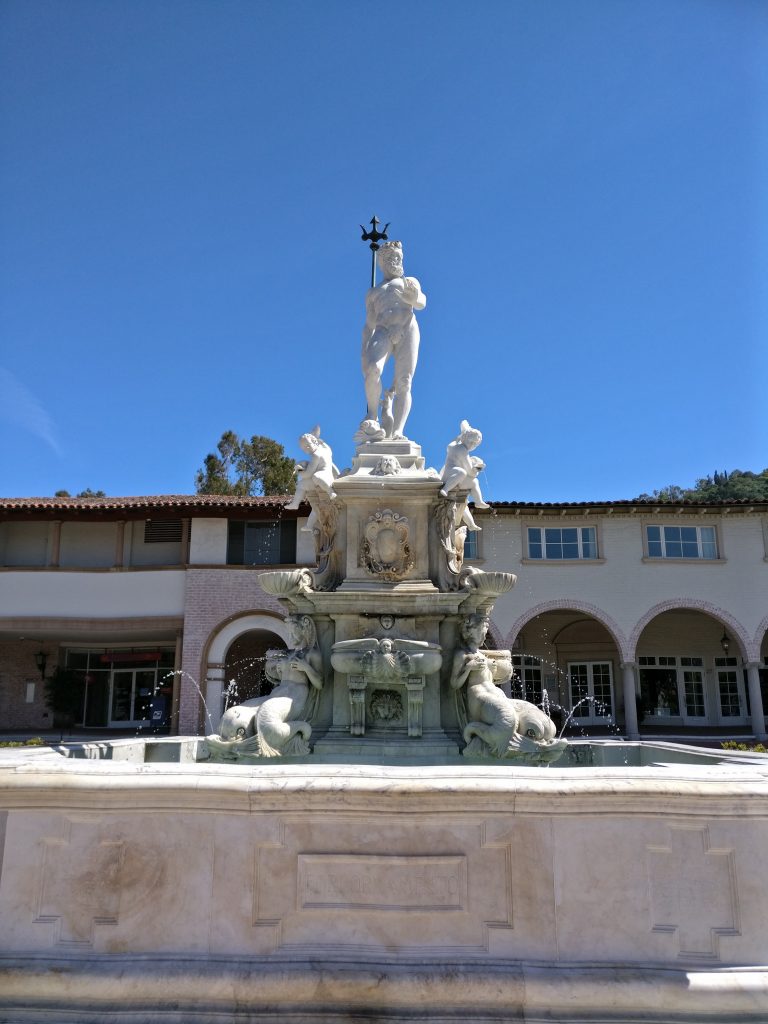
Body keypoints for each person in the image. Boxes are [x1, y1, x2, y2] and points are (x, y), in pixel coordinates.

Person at [361, 241, 426, 440]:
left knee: (404, 382)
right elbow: (369, 324)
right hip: (382, 330)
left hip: (407, 328)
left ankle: (398, 431)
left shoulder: (409, 281)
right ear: (381, 263)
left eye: (398, 258)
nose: (395, 262)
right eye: (390, 259)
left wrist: (414, 297)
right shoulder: (373, 293)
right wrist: (364, 350)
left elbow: (421, 302)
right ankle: (372, 416)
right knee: (372, 370)